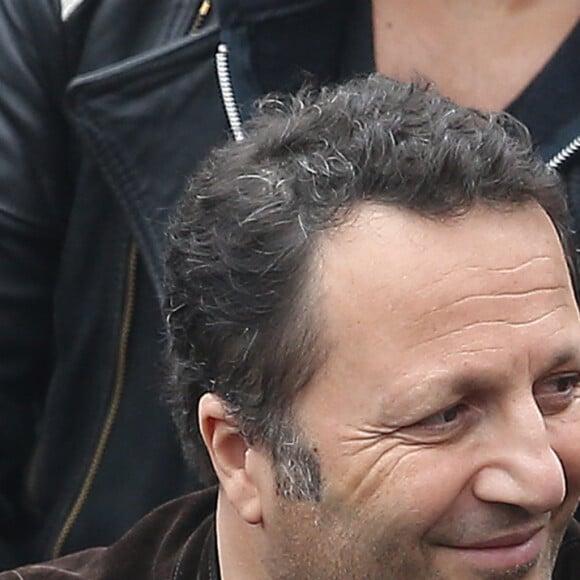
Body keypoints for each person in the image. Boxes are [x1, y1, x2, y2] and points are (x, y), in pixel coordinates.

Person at [2, 0, 580, 569]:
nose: (542, 482)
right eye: (444, 415)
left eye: (562, 385)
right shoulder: (100, 28)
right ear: (234, 452)